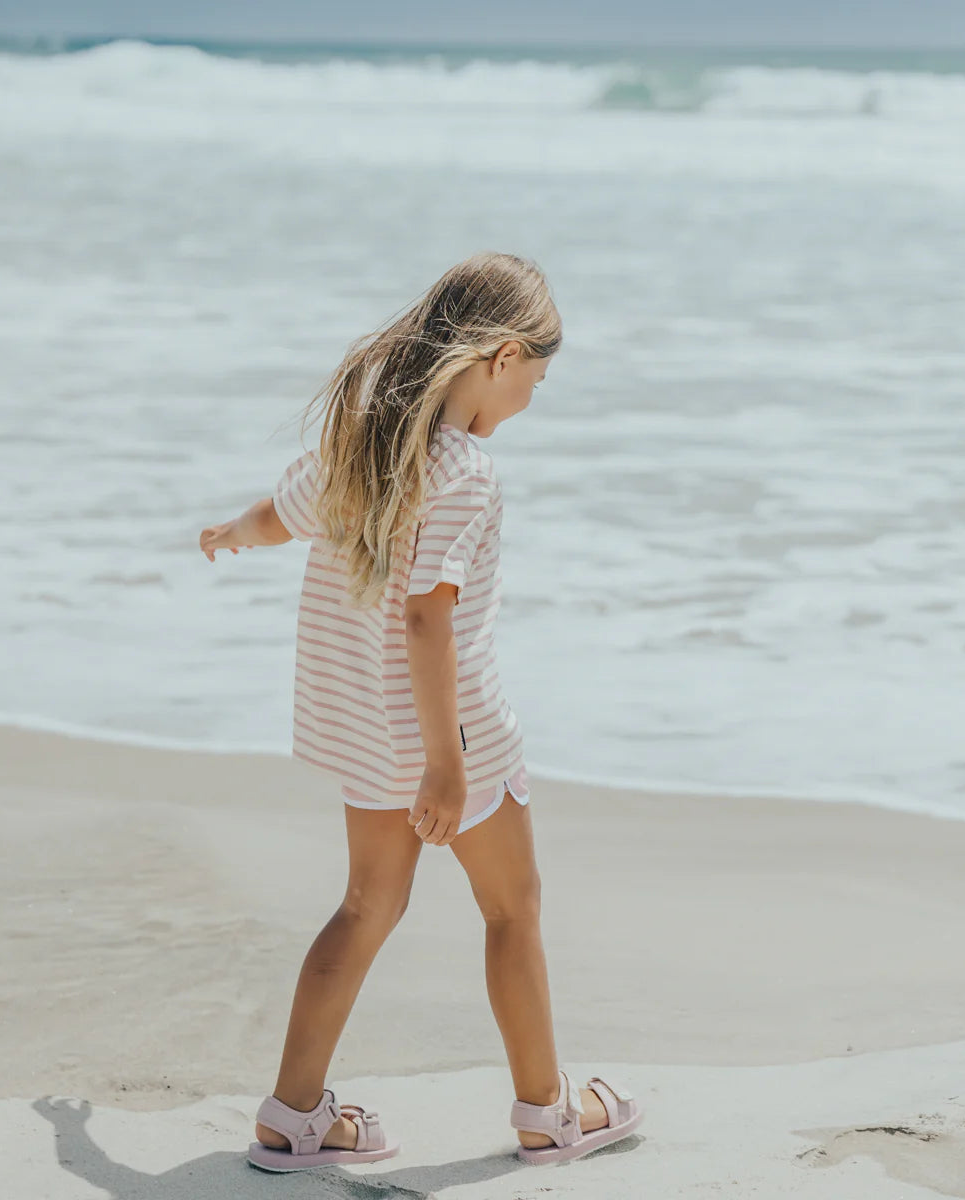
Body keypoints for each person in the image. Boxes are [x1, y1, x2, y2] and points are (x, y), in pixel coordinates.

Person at [199, 252, 643, 1171]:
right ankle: (549, 1111)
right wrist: (447, 763)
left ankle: (293, 1114)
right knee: (512, 909)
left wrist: (231, 533)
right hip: (455, 738)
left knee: (364, 907)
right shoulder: (465, 472)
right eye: (537, 380)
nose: (531, 398)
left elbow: (282, 516)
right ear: (502, 356)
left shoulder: (362, 443)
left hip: (366, 733)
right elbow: (426, 617)